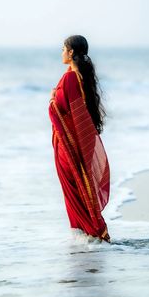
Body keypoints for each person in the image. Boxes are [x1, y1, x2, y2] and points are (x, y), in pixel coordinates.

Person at [48, 35, 111, 243]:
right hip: (80, 141)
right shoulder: (80, 77)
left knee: (75, 191)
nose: (62, 53)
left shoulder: (69, 79)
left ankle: (88, 236)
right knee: (82, 187)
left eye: (63, 49)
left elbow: (60, 110)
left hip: (69, 145)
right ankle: (91, 235)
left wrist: (51, 99)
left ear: (71, 52)